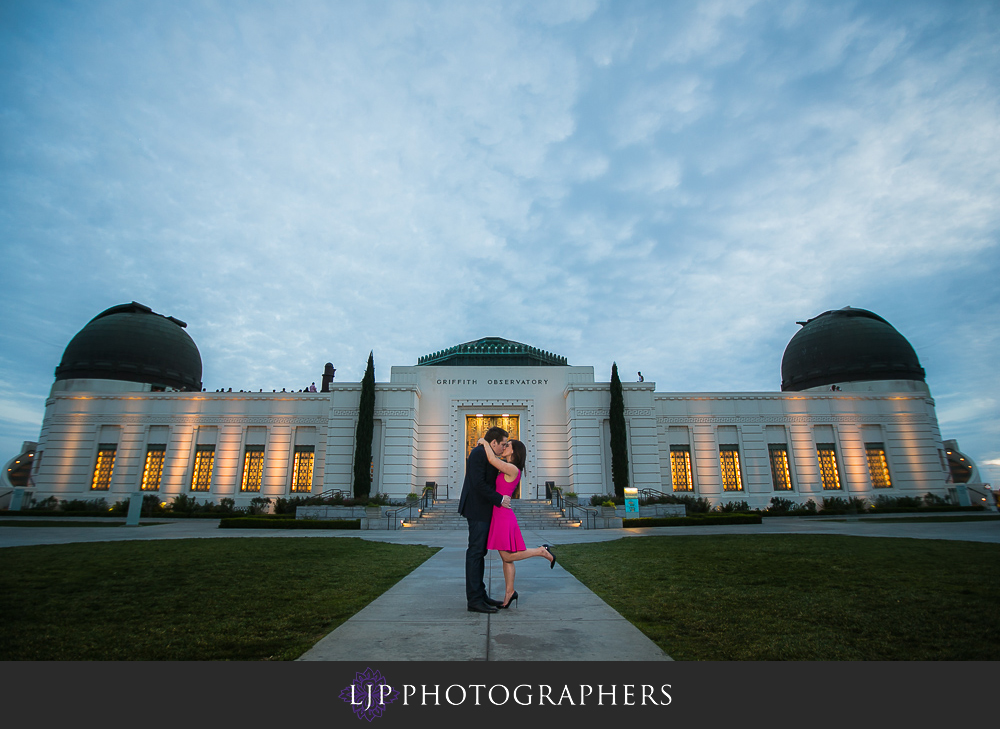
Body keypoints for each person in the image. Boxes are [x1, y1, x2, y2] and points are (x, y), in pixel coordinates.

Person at [479, 436, 556, 609]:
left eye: (508, 445)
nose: (505, 447)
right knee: (506, 560)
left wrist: (484, 442)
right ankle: (509, 593)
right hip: (500, 515)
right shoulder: (507, 468)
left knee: (506, 556)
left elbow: (491, 459)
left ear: (514, 451)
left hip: (503, 517)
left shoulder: (513, 469)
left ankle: (541, 551)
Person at [458, 426, 510, 613]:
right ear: (493, 442)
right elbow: (478, 483)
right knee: (475, 552)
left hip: (483, 510)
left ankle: (481, 596)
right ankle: (474, 600)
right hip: (477, 509)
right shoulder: (478, 453)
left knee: (480, 553)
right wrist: (499, 499)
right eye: (503, 444)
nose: (504, 448)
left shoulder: (485, 452)